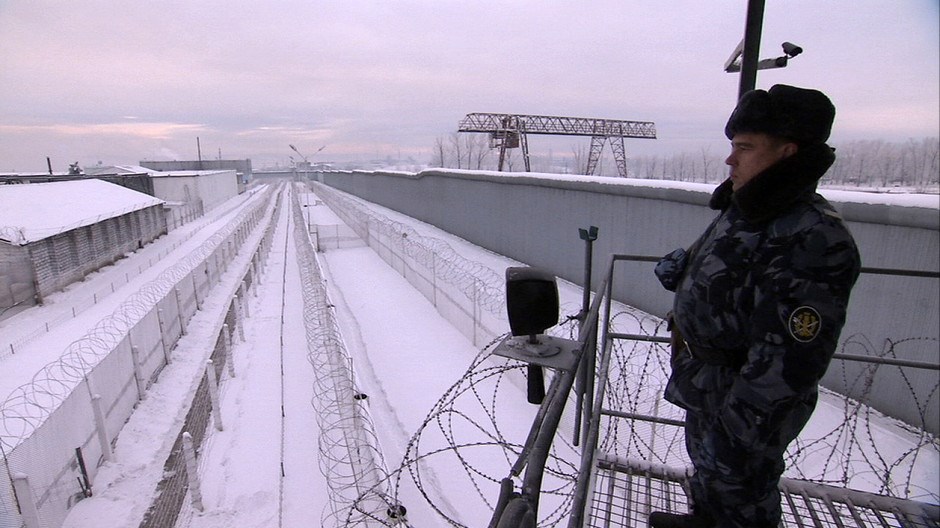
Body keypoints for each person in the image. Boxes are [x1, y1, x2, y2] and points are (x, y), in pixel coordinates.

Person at [650, 85, 861, 528]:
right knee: (710, 475)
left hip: (744, 403)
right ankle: (705, 518)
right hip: (708, 382)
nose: (731, 159)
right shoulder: (747, 208)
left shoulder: (813, 237)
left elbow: (791, 360)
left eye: (744, 147)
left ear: (787, 153)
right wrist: (684, 272)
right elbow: (729, 266)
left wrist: (739, 432)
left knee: (741, 492)